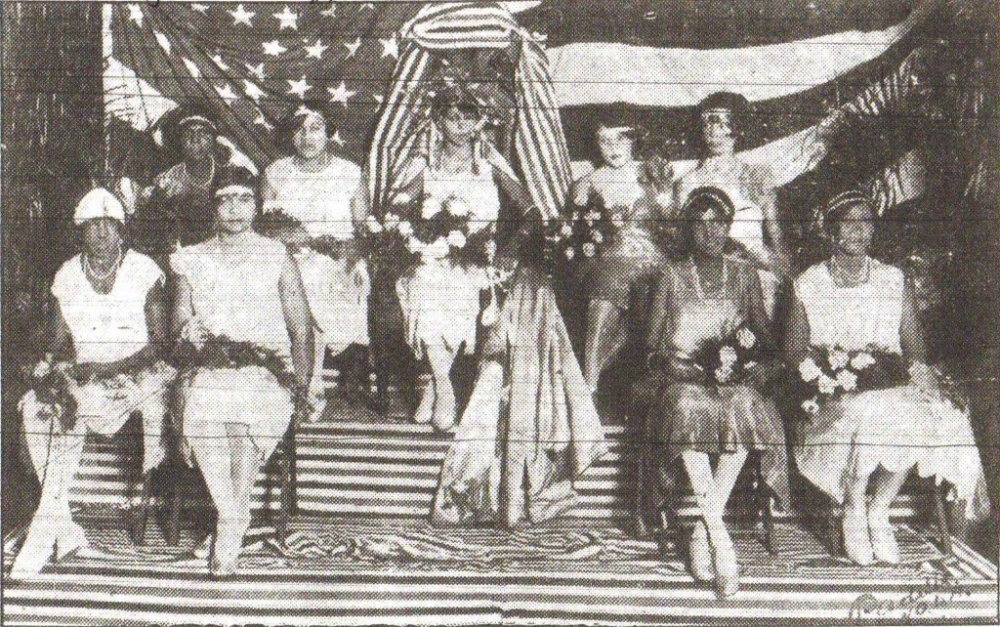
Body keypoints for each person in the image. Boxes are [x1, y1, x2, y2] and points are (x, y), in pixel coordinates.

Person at [787, 190, 990, 566]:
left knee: (935, 414)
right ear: (831, 232)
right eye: (849, 223)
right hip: (833, 392)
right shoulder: (809, 282)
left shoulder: (893, 279)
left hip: (887, 383)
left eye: (866, 222)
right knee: (868, 411)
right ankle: (853, 505)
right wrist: (828, 376)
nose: (859, 231)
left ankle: (879, 507)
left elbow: (913, 351)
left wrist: (922, 379)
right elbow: (795, 351)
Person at [11, 188, 175, 577]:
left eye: (109, 225)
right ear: (80, 232)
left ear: (121, 231)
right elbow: (55, 341)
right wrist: (45, 364)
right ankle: (60, 525)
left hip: (140, 374)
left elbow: (160, 344)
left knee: (78, 402)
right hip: (87, 374)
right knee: (39, 407)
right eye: (92, 226)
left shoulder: (144, 270)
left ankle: (43, 532)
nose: (101, 233)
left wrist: (107, 369)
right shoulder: (67, 273)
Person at [634, 187, 788, 598]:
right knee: (685, 407)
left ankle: (705, 531)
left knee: (745, 407)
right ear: (688, 228)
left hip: (730, 380)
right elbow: (651, 348)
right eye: (700, 223)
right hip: (682, 379)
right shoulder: (670, 275)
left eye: (718, 221)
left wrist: (746, 363)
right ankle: (722, 541)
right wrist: (673, 365)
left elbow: (763, 337)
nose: (710, 231)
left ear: (729, 225)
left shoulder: (744, 274)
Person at [171, 167, 313, 576]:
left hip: (265, 370)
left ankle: (228, 521)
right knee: (208, 404)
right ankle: (234, 517)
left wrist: (302, 384)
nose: (234, 208)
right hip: (210, 366)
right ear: (213, 207)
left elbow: (300, 326)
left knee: (243, 412)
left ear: (256, 205)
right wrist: (190, 333)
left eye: (243, 199)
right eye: (225, 199)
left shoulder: (276, 254)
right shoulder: (191, 258)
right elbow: (180, 321)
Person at [391, 85, 536, 431]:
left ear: (477, 121)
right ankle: (443, 387)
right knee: (424, 281)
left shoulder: (488, 161)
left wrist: (508, 251)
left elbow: (531, 212)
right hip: (432, 253)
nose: (458, 124)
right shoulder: (426, 161)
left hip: (477, 255)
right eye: (450, 117)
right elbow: (396, 204)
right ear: (439, 122)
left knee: (456, 289)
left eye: (466, 117)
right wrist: (407, 229)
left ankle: (436, 386)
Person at [261, 102, 369, 419]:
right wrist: (297, 243)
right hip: (290, 257)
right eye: (299, 129)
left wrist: (359, 260)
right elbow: (269, 226)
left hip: (340, 258)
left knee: (324, 279)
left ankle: (312, 379)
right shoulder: (275, 173)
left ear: (329, 133)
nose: (307, 137)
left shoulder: (350, 173)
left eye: (316, 128)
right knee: (302, 278)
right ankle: (310, 382)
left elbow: (361, 228)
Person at [570, 112, 676, 391]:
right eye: (604, 141)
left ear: (633, 140)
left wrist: (664, 191)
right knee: (604, 291)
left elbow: (672, 223)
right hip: (609, 260)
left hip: (652, 258)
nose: (613, 148)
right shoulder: (589, 182)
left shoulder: (652, 173)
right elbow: (577, 233)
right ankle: (588, 384)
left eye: (620, 139)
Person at [674, 92, 791, 317]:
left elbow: (776, 236)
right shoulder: (687, 182)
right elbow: (682, 240)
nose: (709, 127)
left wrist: (786, 277)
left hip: (755, 265)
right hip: (706, 266)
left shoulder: (757, 176)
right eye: (705, 121)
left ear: (736, 125)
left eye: (717, 120)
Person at [133, 105, 225, 259]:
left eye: (203, 132)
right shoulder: (167, 180)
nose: (195, 139)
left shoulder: (227, 175)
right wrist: (157, 198)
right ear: (180, 140)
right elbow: (152, 229)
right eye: (188, 133)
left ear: (213, 139)